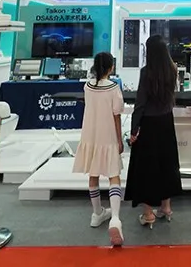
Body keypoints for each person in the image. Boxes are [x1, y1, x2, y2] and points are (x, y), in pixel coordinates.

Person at [125, 35, 182, 228]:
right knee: (166, 163)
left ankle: (148, 213)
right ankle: (166, 207)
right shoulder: (172, 69)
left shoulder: (146, 72)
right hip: (166, 121)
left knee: (146, 168)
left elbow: (140, 104)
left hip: (149, 125)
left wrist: (134, 130)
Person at [72, 52, 125, 247]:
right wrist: (119, 139)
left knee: (93, 174)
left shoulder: (87, 86)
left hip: (89, 136)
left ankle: (97, 214)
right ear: (111, 67)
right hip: (107, 135)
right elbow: (117, 114)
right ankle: (115, 218)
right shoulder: (113, 88)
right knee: (114, 175)